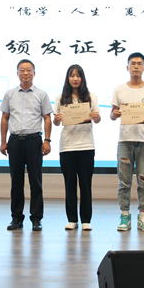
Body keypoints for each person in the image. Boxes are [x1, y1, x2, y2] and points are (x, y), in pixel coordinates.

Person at [0, 59, 53, 231]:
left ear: (34, 73)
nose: (25, 73)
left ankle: (36, 219)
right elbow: (5, 118)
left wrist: (47, 140)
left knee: (35, 181)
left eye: (29, 70)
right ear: (17, 74)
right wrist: (3, 141)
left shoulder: (41, 94)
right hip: (15, 141)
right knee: (16, 182)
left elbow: (47, 118)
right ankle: (16, 218)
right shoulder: (10, 94)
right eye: (22, 70)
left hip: (34, 141)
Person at [110, 52, 144, 232]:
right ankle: (125, 215)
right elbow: (112, 115)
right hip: (125, 140)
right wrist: (115, 114)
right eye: (133, 63)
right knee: (124, 182)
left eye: (139, 64)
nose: (136, 66)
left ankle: (143, 215)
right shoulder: (119, 90)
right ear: (127, 67)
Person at [53, 65, 100, 231]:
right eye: (72, 76)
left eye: (78, 76)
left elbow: (98, 119)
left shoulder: (91, 97)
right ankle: (72, 219)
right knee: (70, 185)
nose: (75, 79)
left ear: (82, 78)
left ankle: (86, 220)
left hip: (86, 145)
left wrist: (96, 117)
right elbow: (56, 122)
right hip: (67, 147)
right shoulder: (61, 98)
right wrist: (57, 119)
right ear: (67, 78)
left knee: (86, 185)